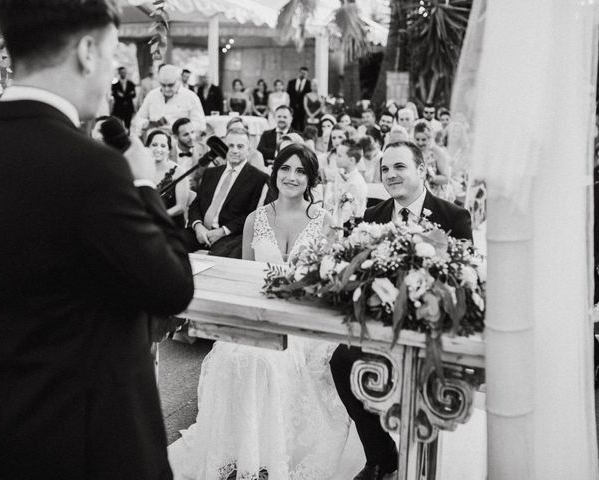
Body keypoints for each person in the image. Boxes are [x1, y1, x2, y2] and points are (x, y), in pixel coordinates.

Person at [0, 2, 194, 479]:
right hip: (89, 446)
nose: (112, 73)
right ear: (87, 51)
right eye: (113, 56)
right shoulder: (95, 168)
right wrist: (145, 185)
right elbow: (171, 287)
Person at [168, 144, 348, 480]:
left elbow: (331, 285)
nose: (291, 177)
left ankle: (269, 456)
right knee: (235, 356)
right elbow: (248, 279)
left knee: (267, 361)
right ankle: (241, 451)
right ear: (275, 171)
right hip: (259, 318)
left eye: (300, 171)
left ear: (310, 178)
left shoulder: (325, 222)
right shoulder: (256, 219)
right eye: (285, 169)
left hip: (302, 323)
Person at [330, 140, 472, 480]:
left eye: (399, 167)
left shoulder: (453, 217)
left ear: (421, 170)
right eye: (385, 169)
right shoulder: (371, 217)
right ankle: (381, 456)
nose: (390, 174)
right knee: (341, 359)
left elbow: (464, 280)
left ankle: (421, 458)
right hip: (378, 328)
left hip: (429, 331)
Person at [184, 127, 269, 258]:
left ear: (249, 149)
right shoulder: (211, 172)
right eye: (231, 146)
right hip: (199, 232)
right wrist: (197, 226)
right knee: (169, 243)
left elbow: (250, 215)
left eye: (240, 146)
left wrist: (222, 231)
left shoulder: (258, 178)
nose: (234, 150)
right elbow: (196, 204)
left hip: (229, 236)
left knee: (219, 258)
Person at [134, 64, 206, 136]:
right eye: (163, 85)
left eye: (170, 85)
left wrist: (177, 129)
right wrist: (147, 124)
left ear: (178, 80)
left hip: (179, 143)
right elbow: (138, 118)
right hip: (154, 142)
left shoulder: (190, 97)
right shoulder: (152, 95)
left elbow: (200, 125)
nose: (166, 89)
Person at [146, 129, 191, 228]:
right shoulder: (141, 169)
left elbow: (180, 207)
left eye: (163, 146)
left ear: (168, 149)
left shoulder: (179, 172)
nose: (158, 149)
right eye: (154, 145)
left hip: (169, 224)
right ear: (147, 147)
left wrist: (157, 216)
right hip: (145, 222)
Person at [413, 122, 455, 202]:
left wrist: (431, 178)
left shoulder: (437, 152)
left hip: (436, 193)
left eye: (424, 139)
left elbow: (446, 179)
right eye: (417, 139)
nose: (420, 143)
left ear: (429, 139)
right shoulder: (412, 152)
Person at [332, 140, 368, 227]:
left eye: (339, 156)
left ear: (351, 160)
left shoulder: (356, 183)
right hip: (337, 216)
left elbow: (347, 214)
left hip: (350, 225)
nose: (335, 158)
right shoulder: (340, 174)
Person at [287, 66, 311, 131]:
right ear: (299, 72)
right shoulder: (291, 83)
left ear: (307, 74)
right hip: (293, 107)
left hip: (303, 108)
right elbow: (288, 95)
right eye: (302, 73)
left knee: (302, 125)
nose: (303, 75)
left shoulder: (309, 84)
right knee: (292, 124)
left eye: (305, 74)